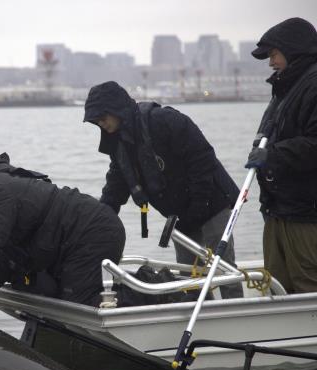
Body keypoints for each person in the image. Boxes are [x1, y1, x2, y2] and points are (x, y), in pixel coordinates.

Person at [83, 81, 243, 298]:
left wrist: (199, 205)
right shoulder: (118, 144)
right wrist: (100, 218)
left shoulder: (163, 120)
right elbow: (115, 186)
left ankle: (235, 316)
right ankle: (202, 319)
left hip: (212, 202)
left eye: (102, 117)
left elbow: (202, 159)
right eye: (96, 121)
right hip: (180, 214)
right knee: (189, 278)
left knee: (224, 269)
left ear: (116, 110)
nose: (101, 124)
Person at [0, 163, 126, 307]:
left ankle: (150, 297)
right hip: (79, 239)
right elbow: (3, 264)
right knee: (65, 298)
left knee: (81, 304)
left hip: (93, 232)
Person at [244, 17, 317, 293]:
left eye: (274, 54)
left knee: (312, 287)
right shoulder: (285, 90)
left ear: (293, 51)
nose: (271, 62)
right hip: (278, 213)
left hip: (310, 217)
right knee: (275, 288)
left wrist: (272, 156)